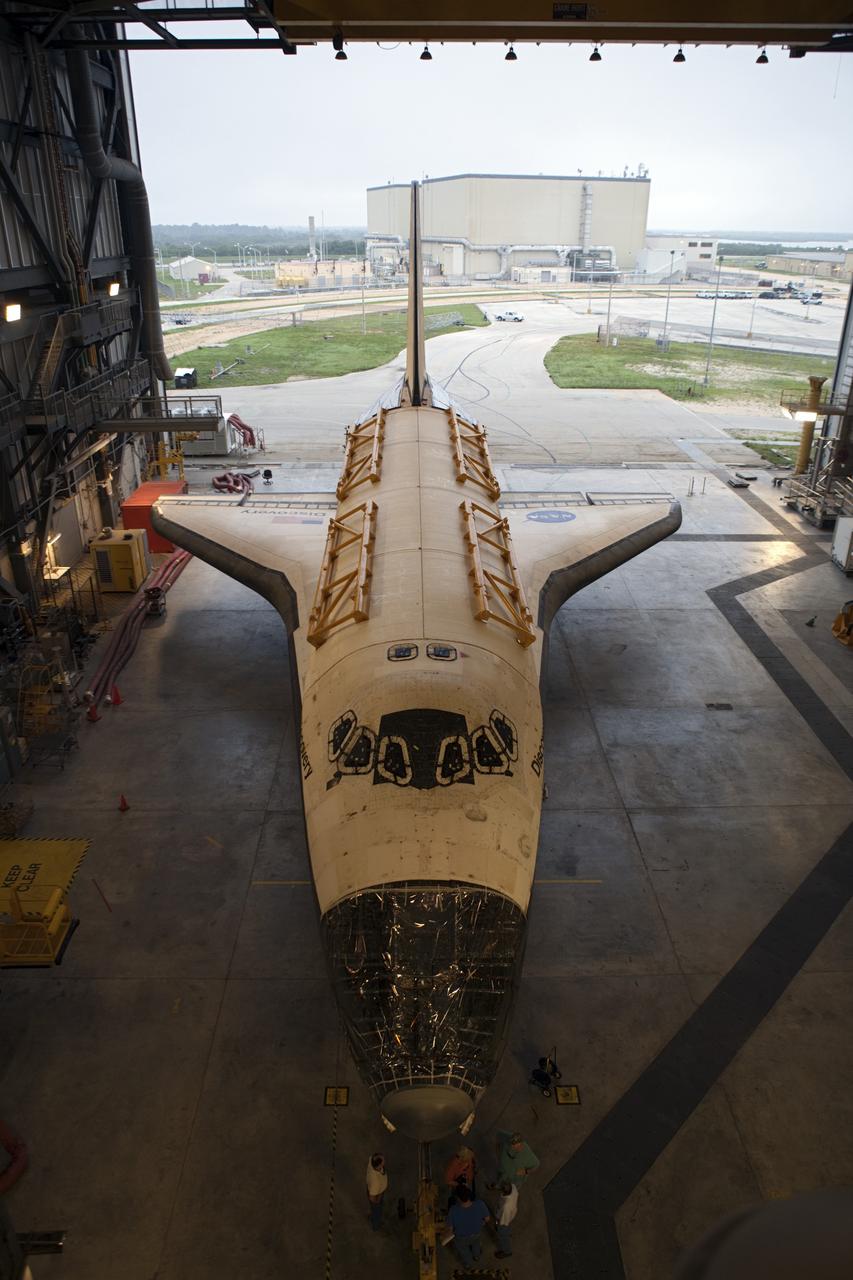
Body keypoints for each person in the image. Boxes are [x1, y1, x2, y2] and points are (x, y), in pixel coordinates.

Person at [445, 1184, 491, 1269]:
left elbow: (450, 1229)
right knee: (476, 1244)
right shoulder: (480, 1204)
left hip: (461, 1238)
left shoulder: (453, 1210)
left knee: (464, 1251)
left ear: (458, 1198)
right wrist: (480, 1224)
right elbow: (487, 1219)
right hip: (476, 1234)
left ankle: (468, 1264)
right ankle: (476, 1256)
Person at [494, 1180, 518, 1259]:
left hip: (504, 1220)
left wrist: (497, 1223)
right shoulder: (513, 1187)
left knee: (503, 1236)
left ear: (504, 1192)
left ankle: (507, 1251)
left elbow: (503, 1220)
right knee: (507, 1227)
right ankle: (508, 1232)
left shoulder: (506, 1207)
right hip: (512, 1213)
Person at [366, 1152, 388, 1231]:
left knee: (375, 1210)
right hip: (376, 1195)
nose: (384, 1160)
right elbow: (372, 1198)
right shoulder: (375, 1182)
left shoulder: (371, 1160)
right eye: (383, 1160)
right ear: (379, 1166)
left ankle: (373, 1215)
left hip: (376, 1191)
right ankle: (376, 1226)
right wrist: (377, 1201)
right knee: (377, 1211)